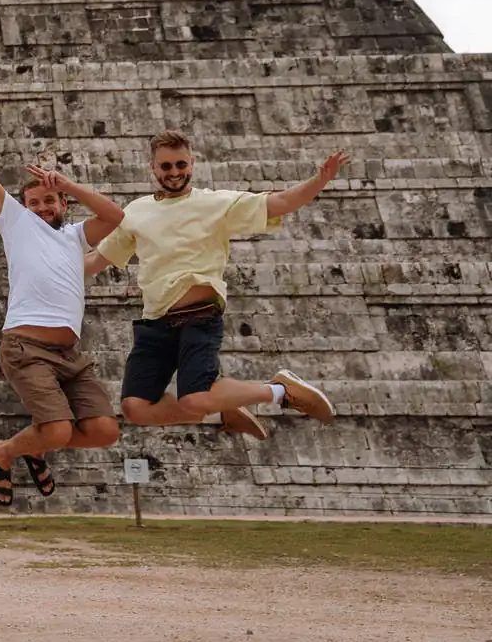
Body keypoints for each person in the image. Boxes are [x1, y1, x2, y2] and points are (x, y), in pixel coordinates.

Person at [0, 82, 125, 508]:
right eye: (35, 201)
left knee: (105, 430)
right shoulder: (16, 222)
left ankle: (33, 447)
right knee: (56, 429)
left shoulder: (75, 235)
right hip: (26, 347)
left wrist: (67, 184)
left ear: (62, 204)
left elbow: (114, 215)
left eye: (50, 200)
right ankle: (3, 452)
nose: (42, 207)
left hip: (70, 354)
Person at [87, 129, 346, 434]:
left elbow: (279, 203)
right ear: (153, 168)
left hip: (199, 316)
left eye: (181, 165)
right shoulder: (135, 212)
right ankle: (220, 415)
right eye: (166, 166)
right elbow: (95, 261)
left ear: (192, 164)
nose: (174, 173)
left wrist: (319, 181)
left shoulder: (216, 203)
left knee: (196, 397)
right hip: (155, 322)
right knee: (136, 408)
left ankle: (278, 390)